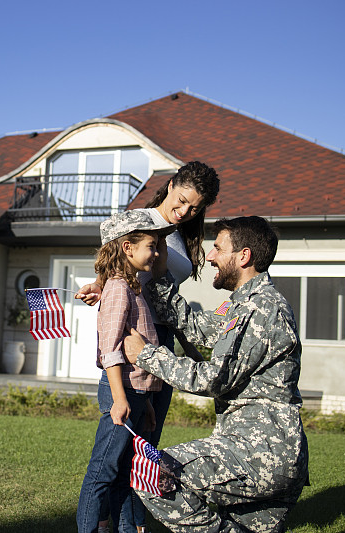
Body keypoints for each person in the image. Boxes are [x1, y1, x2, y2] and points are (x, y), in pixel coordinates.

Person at [123, 216, 309, 532]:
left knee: (151, 473)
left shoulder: (260, 309)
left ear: (244, 256)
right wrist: (160, 274)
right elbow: (195, 326)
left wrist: (146, 356)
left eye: (218, 249)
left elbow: (212, 378)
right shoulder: (243, 305)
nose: (209, 256)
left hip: (259, 453)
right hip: (262, 452)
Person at [77, 161, 220, 532]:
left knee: (146, 446)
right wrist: (100, 287)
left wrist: (190, 347)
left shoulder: (180, 236)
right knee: (117, 449)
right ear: (171, 185)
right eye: (184, 200)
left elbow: (170, 300)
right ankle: (107, 519)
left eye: (196, 208)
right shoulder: (137, 223)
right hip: (131, 340)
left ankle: (133, 524)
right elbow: (110, 269)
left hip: (162, 343)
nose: (187, 211)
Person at [77, 210, 173, 533]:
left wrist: (143, 399)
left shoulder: (132, 288)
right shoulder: (118, 288)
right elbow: (111, 349)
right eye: (152, 246)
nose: (157, 253)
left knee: (123, 471)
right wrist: (121, 398)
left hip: (134, 393)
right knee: (102, 470)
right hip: (121, 392)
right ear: (128, 248)